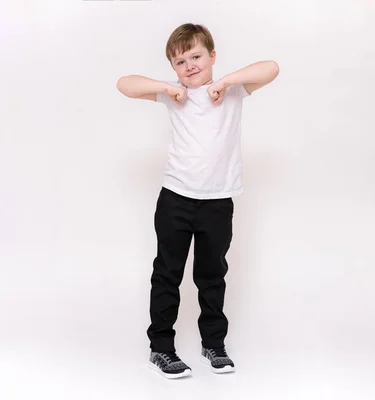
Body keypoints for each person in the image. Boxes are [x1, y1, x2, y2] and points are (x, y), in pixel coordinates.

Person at [116, 23, 279, 379]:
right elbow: (124, 84)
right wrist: (165, 87)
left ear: (212, 57)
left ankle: (213, 345)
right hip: (176, 199)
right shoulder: (173, 93)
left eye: (196, 57)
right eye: (179, 62)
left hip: (217, 202)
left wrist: (223, 82)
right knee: (167, 274)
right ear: (173, 69)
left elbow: (272, 68)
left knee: (212, 275)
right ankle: (161, 349)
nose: (189, 66)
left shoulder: (232, 91)